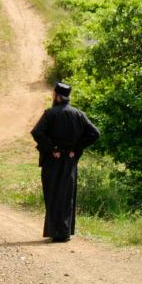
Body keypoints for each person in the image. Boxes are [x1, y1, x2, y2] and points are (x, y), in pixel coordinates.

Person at [29, 82, 100, 242]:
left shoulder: (50, 113)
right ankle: (64, 232)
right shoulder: (78, 113)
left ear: (56, 95)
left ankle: (56, 232)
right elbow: (94, 133)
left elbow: (37, 132)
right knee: (67, 195)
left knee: (53, 194)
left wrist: (52, 148)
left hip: (53, 160)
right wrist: (76, 148)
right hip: (69, 160)